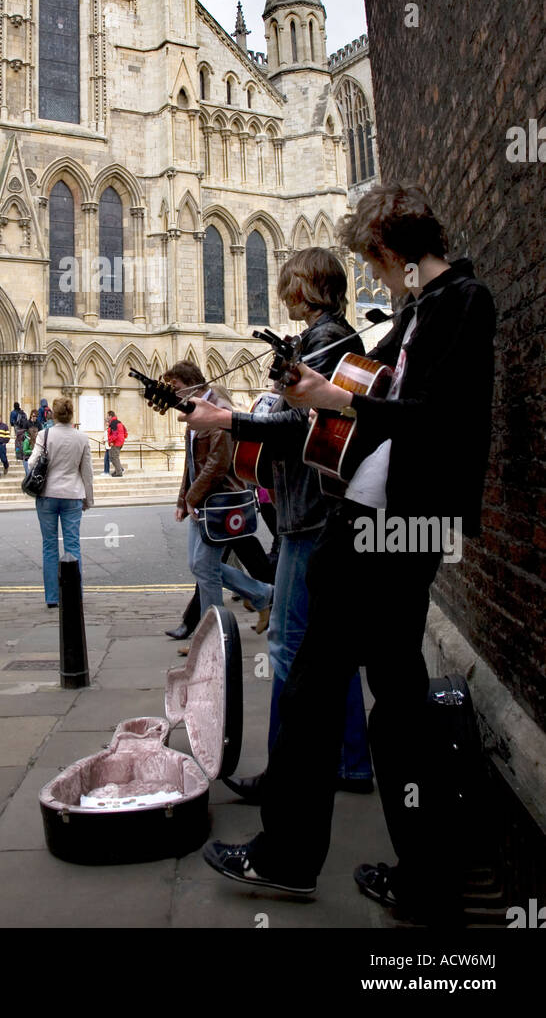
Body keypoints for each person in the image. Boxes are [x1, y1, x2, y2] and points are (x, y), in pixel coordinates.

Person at [193, 185, 495, 926]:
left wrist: (341, 402)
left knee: (314, 688)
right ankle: (425, 878)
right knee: (396, 702)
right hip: (367, 522)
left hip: (396, 530)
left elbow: (439, 423)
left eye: (378, 267)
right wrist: (242, 415)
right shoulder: (408, 321)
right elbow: (336, 431)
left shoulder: (463, 303)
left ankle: (288, 856)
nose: (379, 282)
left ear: (392, 253)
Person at [218, 248, 373, 798]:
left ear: (306, 286)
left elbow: (300, 424)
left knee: (286, 640)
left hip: (311, 512)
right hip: (308, 509)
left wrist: (231, 420)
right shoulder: (323, 340)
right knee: (330, 644)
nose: (283, 294)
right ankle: (353, 763)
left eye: (289, 284)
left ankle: (285, 773)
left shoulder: (331, 342)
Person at [165, 361, 274, 619]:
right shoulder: (195, 412)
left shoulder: (216, 410)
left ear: (191, 383)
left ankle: (211, 631)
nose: (174, 393)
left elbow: (218, 462)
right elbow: (190, 462)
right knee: (200, 566)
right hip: (201, 501)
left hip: (217, 500)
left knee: (204, 567)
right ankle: (262, 594)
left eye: (176, 387)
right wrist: (183, 500)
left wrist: (192, 498)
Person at [27, 396, 94, 608]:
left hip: (47, 494)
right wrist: (88, 499)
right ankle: (75, 594)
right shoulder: (82, 438)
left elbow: (31, 462)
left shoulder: (44, 435)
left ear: (53, 414)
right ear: (71, 414)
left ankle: (52, 598)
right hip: (73, 495)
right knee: (73, 545)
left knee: (49, 546)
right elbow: (87, 473)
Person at [106, 412, 127, 476]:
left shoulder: (113, 423)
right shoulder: (118, 422)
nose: (107, 417)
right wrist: (122, 438)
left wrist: (111, 441)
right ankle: (118, 469)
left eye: (108, 416)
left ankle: (119, 472)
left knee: (114, 457)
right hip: (119, 441)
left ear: (111, 416)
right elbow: (125, 432)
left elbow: (115, 434)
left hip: (116, 442)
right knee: (113, 456)